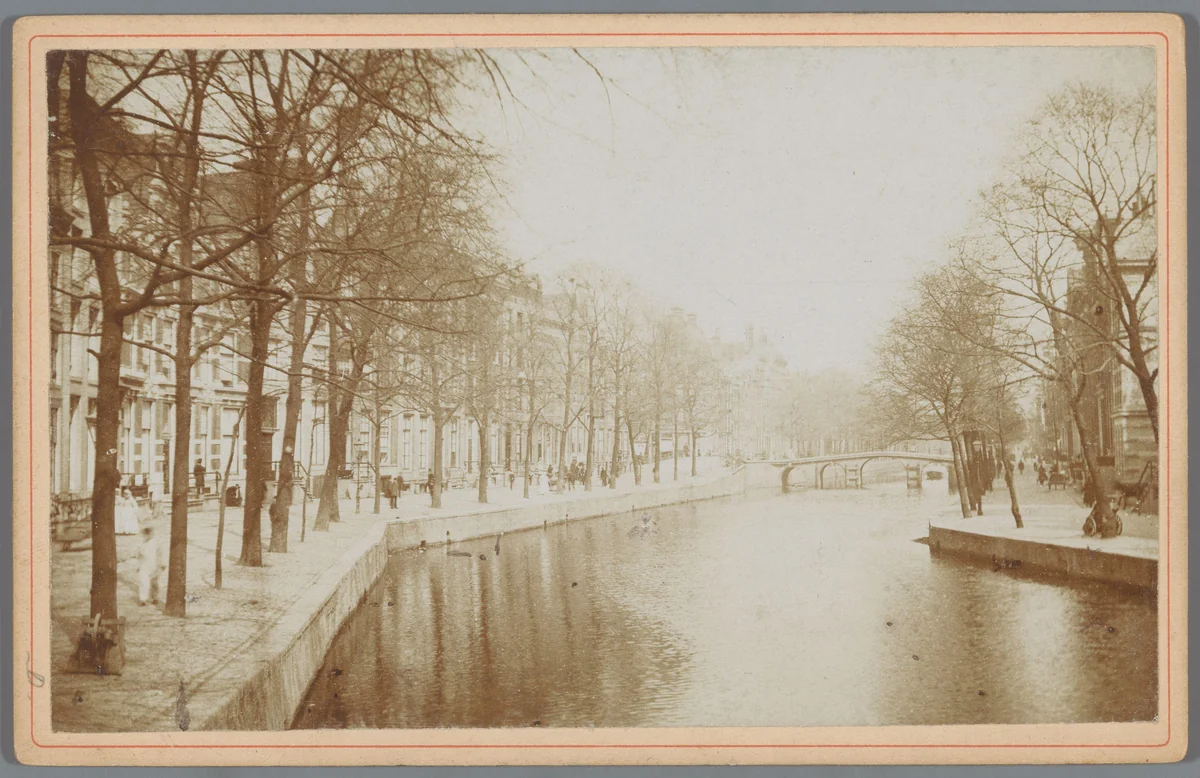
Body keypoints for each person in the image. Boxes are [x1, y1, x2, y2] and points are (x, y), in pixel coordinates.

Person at [137, 524, 169, 606]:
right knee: (143, 582)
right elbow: (140, 555)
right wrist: (138, 565)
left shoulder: (156, 542)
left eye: (149, 534)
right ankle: (142, 599)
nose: (147, 536)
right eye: (145, 534)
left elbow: (161, 553)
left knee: (154, 582)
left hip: (155, 565)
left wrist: (162, 564)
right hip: (144, 565)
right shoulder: (142, 544)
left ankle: (155, 597)